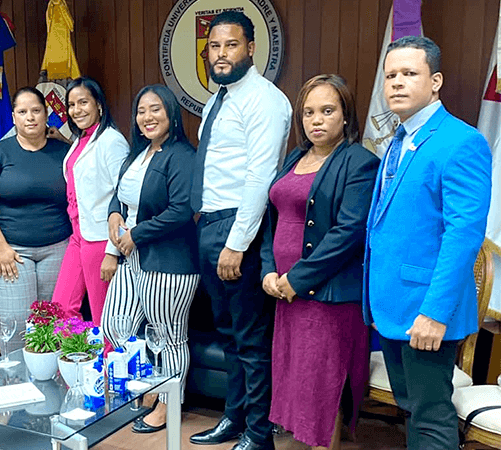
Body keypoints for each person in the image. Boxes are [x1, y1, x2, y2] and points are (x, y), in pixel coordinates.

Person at [364, 36, 492, 450]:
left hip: (427, 311)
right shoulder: (399, 140)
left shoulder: (461, 142)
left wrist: (435, 313)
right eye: (390, 75)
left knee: (431, 414)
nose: (397, 83)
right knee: (412, 409)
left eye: (409, 74)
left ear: (435, 81)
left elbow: (463, 236)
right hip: (392, 304)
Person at [188, 11, 292, 450]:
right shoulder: (219, 98)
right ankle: (233, 420)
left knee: (250, 338)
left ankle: (259, 433)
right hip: (210, 224)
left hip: (238, 228)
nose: (221, 53)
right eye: (214, 46)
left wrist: (236, 243)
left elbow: (259, 177)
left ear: (251, 48)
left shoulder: (265, 100)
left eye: (231, 45)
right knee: (228, 333)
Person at [260, 74, 379, 450]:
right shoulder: (296, 157)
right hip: (285, 295)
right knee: (295, 383)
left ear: (345, 115)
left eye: (327, 111)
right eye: (309, 112)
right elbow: (273, 220)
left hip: (327, 299)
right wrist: (268, 271)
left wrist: (296, 279)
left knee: (321, 387)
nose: (316, 120)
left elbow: (348, 233)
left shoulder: (360, 162)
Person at [101, 84, 200, 433]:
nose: (147, 117)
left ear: (171, 112)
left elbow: (182, 210)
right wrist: (114, 215)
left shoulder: (182, 155)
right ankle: (149, 386)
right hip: (133, 258)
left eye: (155, 109)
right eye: (142, 111)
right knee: (115, 324)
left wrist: (135, 234)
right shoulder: (138, 153)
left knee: (171, 336)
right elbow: (120, 196)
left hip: (169, 260)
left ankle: (168, 403)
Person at [0, 87, 72, 353]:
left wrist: (67, 142)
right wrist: (0, 247)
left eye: (36, 110)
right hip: (10, 252)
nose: (30, 117)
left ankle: (49, 387)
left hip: (58, 248)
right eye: (22, 111)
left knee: (52, 324)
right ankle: (16, 386)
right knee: (16, 324)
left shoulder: (64, 153)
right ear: (13, 116)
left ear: (46, 114)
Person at [51, 77, 129, 328]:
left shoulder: (111, 140)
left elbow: (123, 198)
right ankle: (78, 364)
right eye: (71, 105)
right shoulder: (79, 141)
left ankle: (108, 366)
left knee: (103, 315)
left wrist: (112, 251)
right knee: (62, 309)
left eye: (83, 102)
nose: (76, 110)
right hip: (78, 237)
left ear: (99, 105)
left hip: (100, 240)